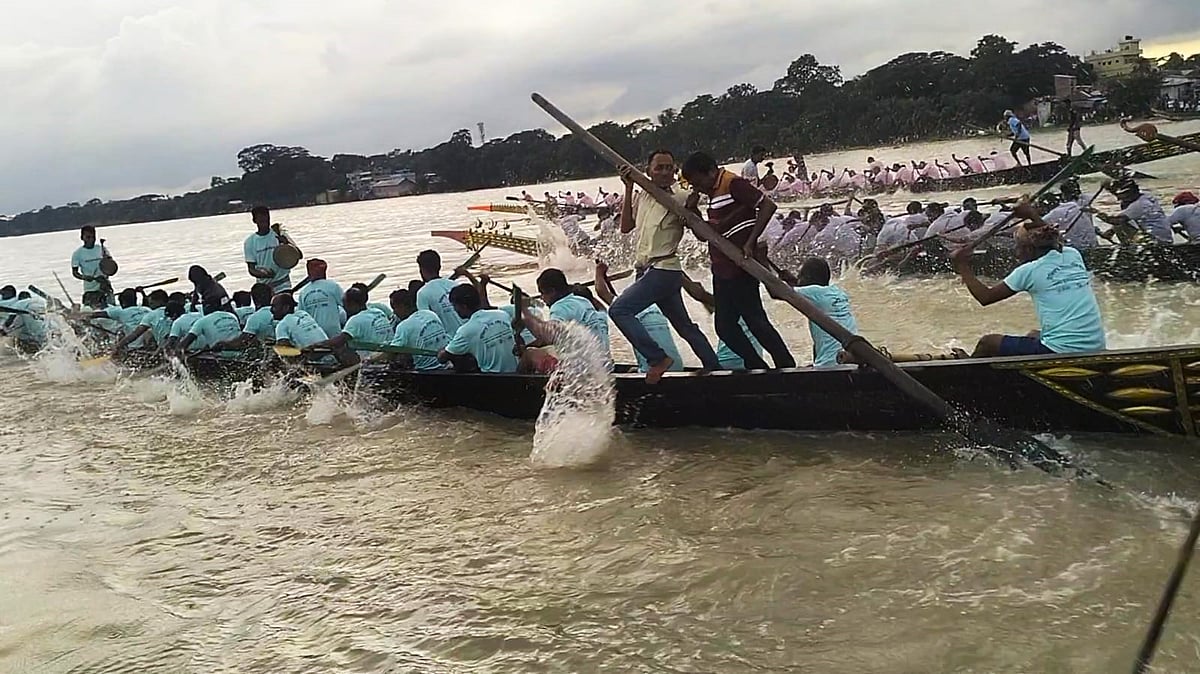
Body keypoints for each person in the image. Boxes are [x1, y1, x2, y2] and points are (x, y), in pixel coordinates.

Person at [608, 150, 721, 380]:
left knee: (620, 310)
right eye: (658, 167)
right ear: (648, 170)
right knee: (684, 326)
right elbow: (626, 226)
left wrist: (692, 208)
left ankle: (657, 358)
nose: (664, 172)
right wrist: (628, 187)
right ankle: (714, 367)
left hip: (664, 269)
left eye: (669, 167)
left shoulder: (679, 196)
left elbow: (701, 234)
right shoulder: (643, 194)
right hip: (648, 271)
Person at [681, 151, 795, 370]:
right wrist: (693, 209)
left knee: (755, 320)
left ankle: (785, 366)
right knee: (724, 327)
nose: (698, 188)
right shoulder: (713, 194)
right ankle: (756, 365)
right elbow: (706, 234)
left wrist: (750, 242)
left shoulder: (733, 183)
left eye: (699, 182)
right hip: (722, 267)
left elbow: (768, 206)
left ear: (711, 171)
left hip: (739, 265)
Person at [951, 200, 1106, 357]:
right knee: (1033, 334)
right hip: (1096, 344)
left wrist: (962, 265)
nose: (1016, 253)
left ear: (1029, 249)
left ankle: (969, 373)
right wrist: (1031, 214)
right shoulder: (1072, 254)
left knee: (988, 343)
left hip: (1061, 350)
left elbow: (985, 297)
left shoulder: (1029, 271)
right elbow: (1053, 236)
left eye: (1018, 247)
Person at [594, 262, 684, 377]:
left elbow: (601, 292)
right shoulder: (658, 305)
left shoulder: (626, 309)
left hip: (657, 371)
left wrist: (599, 272)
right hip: (678, 367)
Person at [521, 268, 611, 366]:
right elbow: (555, 335)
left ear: (552, 291)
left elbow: (549, 335)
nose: (542, 298)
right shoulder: (584, 301)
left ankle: (515, 380)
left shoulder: (560, 307)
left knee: (529, 354)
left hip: (583, 369)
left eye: (542, 293)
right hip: (605, 366)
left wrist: (524, 312)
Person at [779, 258, 858, 367]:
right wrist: (792, 281)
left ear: (807, 278)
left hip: (830, 365)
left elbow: (777, 293)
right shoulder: (838, 292)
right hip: (851, 362)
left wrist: (763, 264)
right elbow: (800, 288)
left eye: (800, 276)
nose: (798, 279)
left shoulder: (812, 292)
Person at [438, 284, 518, 373]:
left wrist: (441, 351)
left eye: (455, 306)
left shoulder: (466, 330)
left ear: (464, 306)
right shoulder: (502, 315)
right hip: (516, 371)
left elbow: (442, 358)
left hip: (493, 379)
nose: (455, 310)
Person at [306, 286, 393, 365]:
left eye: (345, 305)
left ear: (352, 304)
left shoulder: (356, 320)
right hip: (386, 354)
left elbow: (337, 342)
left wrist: (315, 345)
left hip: (372, 359)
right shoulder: (378, 312)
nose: (344, 308)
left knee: (340, 349)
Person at [1095, 179, 1172, 244]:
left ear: (1129, 194)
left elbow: (1115, 221)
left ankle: (1129, 249)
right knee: (1123, 222)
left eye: (1121, 195)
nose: (1118, 198)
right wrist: (1110, 189)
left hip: (1156, 241)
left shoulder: (1139, 205)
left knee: (1120, 224)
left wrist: (1096, 212)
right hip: (1164, 237)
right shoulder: (1147, 196)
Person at [389, 288, 450, 370]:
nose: (394, 313)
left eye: (394, 308)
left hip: (426, 370)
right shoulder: (431, 314)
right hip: (446, 364)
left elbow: (391, 353)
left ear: (402, 306)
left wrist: (370, 359)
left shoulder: (403, 326)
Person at [244, 206, 299, 292]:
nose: (265, 224)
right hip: (265, 287)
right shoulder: (250, 242)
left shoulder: (279, 234)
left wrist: (286, 244)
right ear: (255, 221)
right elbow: (251, 269)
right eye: (261, 221)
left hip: (283, 284)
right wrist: (264, 274)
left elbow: (299, 255)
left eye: (267, 221)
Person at [212, 283, 277, 351]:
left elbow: (242, 341)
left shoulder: (255, 318)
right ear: (272, 295)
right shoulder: (281, 312)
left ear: (254, 299)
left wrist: (224, 344)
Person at [415, 249, 466, 333]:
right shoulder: (455, 285)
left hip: (448, 342)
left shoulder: (422, 293)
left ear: (421, 269)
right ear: (439, 266)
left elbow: (427, 325)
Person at [80, 288, 150, 348]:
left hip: (131, 344)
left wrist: (79, 317)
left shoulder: (119, 311)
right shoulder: (146, 309)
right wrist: (143, 293)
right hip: (147, 341)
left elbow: (93, 315)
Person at [1042, 178, 1099, 250]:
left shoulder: (1060, 211)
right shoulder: (1084, 203)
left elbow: (1040, 223)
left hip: (1077, 248)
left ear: (1064, 195)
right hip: (1092, 244)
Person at [296, 258, 344, 339]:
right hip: (334, 333)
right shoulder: (333, 286)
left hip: (315, 334)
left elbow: (301, 315)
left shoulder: (303, 292)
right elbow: (346, 304)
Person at [110, 289, 170, 354]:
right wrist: (142, 293)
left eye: (152, 303)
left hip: (159, 347)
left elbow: (136, 334)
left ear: (159, 302)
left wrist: (118, 346)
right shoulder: (178, 310)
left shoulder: (151, 314)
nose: (151, 307)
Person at [71, 225, 112, 308]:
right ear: (82, 238)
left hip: (105, 287)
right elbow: (75, 273)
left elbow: (111, 266)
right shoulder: (78, 254)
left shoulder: (102, 249)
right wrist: (85, 277)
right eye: (88, 237)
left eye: (93, 237)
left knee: (110, 309)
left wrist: (106, 275)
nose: (91, 240)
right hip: (90, 290)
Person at [177, 304, 242, 355]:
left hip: (222, 355)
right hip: (240, 352)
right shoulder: (232, 316)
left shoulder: (202, 321)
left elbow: (184, 345)